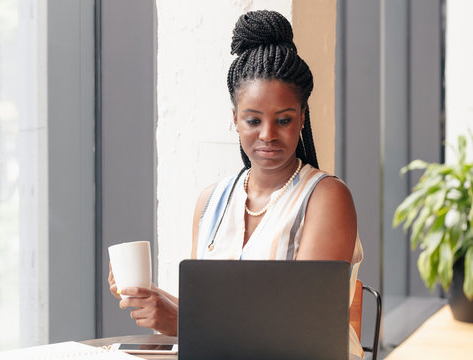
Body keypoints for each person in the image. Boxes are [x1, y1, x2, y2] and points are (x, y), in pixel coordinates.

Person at [108, 9, 364, 358]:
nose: (268, 135)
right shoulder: (211, 202)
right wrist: (154, 298)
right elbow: (220, 313)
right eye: (253, 120)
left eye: (284, 120)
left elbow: (304, 326)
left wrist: (179, 322)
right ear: (235, 120)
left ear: (302, 118)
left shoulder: (326, 198)